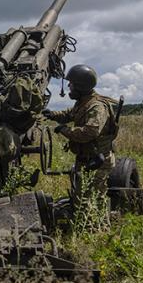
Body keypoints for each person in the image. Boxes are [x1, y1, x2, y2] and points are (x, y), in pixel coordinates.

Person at [43, 64, 118, 200]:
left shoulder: (97, 107)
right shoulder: (84, 102)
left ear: (80, 86)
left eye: (71, 83)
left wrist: (64, 130)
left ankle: (99, 215)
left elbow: (89, 133)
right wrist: (52, 115)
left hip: (97, 161)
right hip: (86, 159)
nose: (69, 86)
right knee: (81, 197)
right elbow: (69, 114)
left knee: (93, 200)